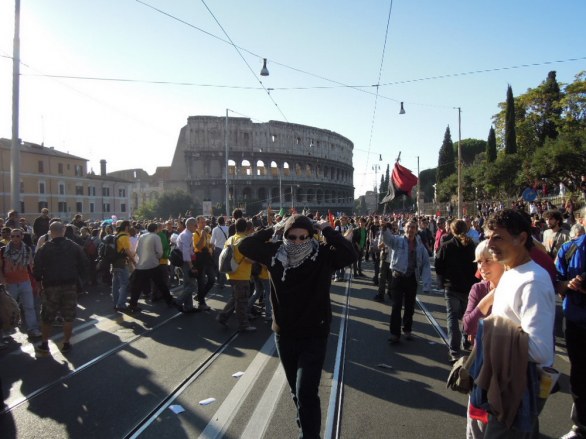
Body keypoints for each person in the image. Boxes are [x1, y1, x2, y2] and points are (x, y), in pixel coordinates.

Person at [239, 214, 357, 438]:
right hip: (285, 335)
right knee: (296, 391)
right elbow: (246, 245)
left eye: (303, 237)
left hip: (314, 334)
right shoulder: (274, 253)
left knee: (306, 393)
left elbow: (349, 253)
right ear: (285, 236)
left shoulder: (321, 255)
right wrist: (275, 227)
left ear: (311, 236)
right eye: (292, 237)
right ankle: (306, 427)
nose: (297, 242)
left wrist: (327, 229)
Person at [480, 208, 556, 437]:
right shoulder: (511, 272)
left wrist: (491, 331)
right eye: (488, 237)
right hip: (505, 382)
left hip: (519, 388)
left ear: (522, 238)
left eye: (498, 237)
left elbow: (541, 350)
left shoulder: (533, 281)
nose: (490, 243)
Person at [462, 240, 506, 439]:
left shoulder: (515, 289)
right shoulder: (478, 289)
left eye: (487, 260)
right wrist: (489, 298)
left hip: (506, 370)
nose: (482, 266)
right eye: (479, 262)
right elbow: (468, 325)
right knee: (477, 426)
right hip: (480, 367)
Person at [33, 221, 88, 354]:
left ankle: (45, 343)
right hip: (69, 285)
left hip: (50, 286)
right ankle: (66, 343)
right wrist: (79, 281)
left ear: (50, 232)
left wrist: (39, 285)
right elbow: (84, 264)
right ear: (63, 230)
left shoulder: (44, 248)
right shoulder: (74, 246)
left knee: (47, 316)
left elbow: (37, 270)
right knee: (68, 316)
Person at [556, 206, 586, 439]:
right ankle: (581, 425)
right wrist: (569, 285)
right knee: (579, 373)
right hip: (577, 321)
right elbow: (557, 282)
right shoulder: (569, 248)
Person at [381, 219, 432, 344]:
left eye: (413, 227)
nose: (411, 230)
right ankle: (395, 333)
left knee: (409, 306)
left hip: (412, 278)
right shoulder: (397, 240)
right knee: (396, 306)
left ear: (416, 230)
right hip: (398, 277)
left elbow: (425, 264)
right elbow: (388, 240)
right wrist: (384, 229)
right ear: (404, 228)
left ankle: (407, 329)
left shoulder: (420, 246)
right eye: (409, 227)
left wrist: (426, 284)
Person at [435, 219, 479, 362]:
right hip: (469, 287)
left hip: (452, 286)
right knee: (467, 315)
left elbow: (439, 266)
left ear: (452, 230)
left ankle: (454, 350)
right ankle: (466, 339)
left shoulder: (446, 246)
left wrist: (442, 281)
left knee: (453, 317)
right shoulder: (473, 246)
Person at [0, 228, 42, 338]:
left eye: (17, 236)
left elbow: (31, 266)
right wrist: (2, 279)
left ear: (22, 237)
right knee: (8, 308)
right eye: (12, 236)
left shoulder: (27, 249)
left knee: (29, 306)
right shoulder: (4, 250)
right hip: (10, 283)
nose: (14, 238)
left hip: (25, 281)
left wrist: (36, 281)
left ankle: (32, 329)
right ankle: (6, 330)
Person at [216, 218, 255, 331]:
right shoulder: (245, 240)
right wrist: (256, 260)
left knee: (235, 298)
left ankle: (222, 317)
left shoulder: (230, 239)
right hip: (242, 275)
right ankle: (243, 325)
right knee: (242, 301)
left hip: (231, 273)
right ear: (246, 228)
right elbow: (249, 259)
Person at [127, 223, 174, 312]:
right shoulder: (156, 237)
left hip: (141, 265)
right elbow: (160, 252)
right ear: (156, 229)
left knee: (137, 286)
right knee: (161, 283)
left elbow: (137, 250)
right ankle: (169, 300)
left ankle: (133, 304)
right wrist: (156, 257)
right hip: (152, 264)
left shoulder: (141, 236)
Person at [174, 217, 198, 313]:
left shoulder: (187, 234)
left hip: (187, 261)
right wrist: (191, 266)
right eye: (195, 225)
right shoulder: (186, 235)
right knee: (192, 285)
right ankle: (178, 301)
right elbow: (186, 252)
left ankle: (189, 307)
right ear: (190, 225)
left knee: (187, 284)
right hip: (186, 262)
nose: (197, 227)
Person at [111, 220, 136, 311]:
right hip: (122, 262)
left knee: (115, 284)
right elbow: (127, 251)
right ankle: (121, 304)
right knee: (124, 283)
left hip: (114, 263)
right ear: (126, 227)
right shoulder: (125, 237)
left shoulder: (116, 235)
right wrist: (134, 261)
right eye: (129, 226)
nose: (130, 228)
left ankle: (115, 303)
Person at [193, 216, 214, 311]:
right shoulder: (196, 234)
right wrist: (202, 236)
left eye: (204, 222)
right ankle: (201, 302)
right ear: (197, 223)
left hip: (208, 259)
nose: (204, 224)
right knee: (201, 281)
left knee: (212, 279)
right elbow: (198, 247)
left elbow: (210, 246)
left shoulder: (208, 234)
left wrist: (211, 247)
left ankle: (200, 296)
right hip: (200, 259)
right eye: (201, 222)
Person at [210, 216, 229, 289]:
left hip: (217, 249)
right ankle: (222, 282)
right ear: (224, 221)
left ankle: (219, 281)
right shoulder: (228, 228)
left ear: (218, 222)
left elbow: (212, 241)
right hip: (225, 248)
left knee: (217, 265)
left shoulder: (215, 229)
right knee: (224, 266)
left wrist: (211, 250)